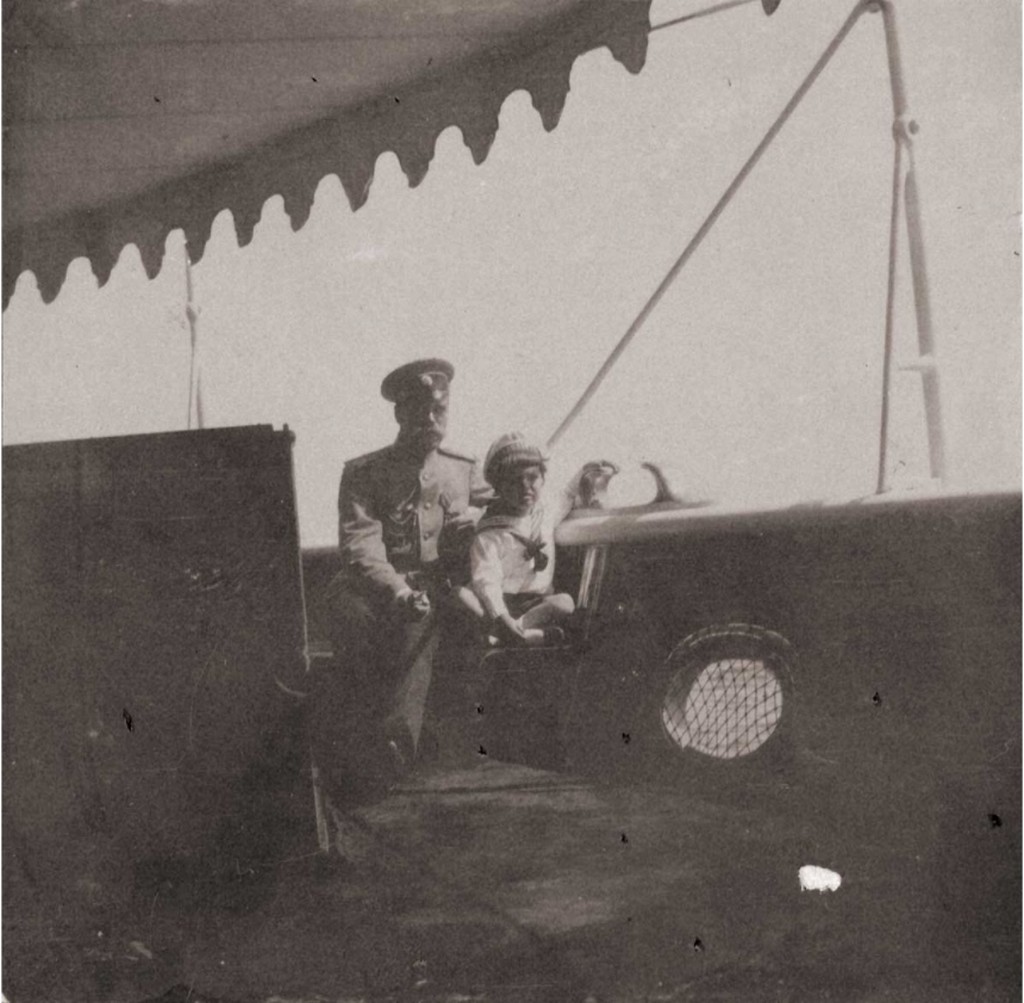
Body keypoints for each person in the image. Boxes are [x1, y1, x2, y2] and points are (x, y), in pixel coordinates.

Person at [315, 358, 491, 792]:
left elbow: (505, 511)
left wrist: (477, 519)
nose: (431, 420)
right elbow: (360, 547)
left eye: (439, 410)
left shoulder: (463, 468)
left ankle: (401, 750)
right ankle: (373, 750)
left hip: (435, 585)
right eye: (420, 411)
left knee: (436, 619)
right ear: (400, 414)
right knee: (368, 621)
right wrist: (397, 590)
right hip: (370, 586)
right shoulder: (364, 473)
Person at [455, 432, 583, 646]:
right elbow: (487, 581)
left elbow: (567, 494)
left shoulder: (545, 513)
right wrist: (501, 615)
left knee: (565, 602)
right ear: (498, 487)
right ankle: (520, 634)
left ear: (543, 479)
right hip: (498, 602)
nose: (525, 486)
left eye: (532, 477)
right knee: (461, 595)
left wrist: (585, 471)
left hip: (534, 602)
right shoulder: (490, 532)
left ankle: (511, 635)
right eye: (514, 481)